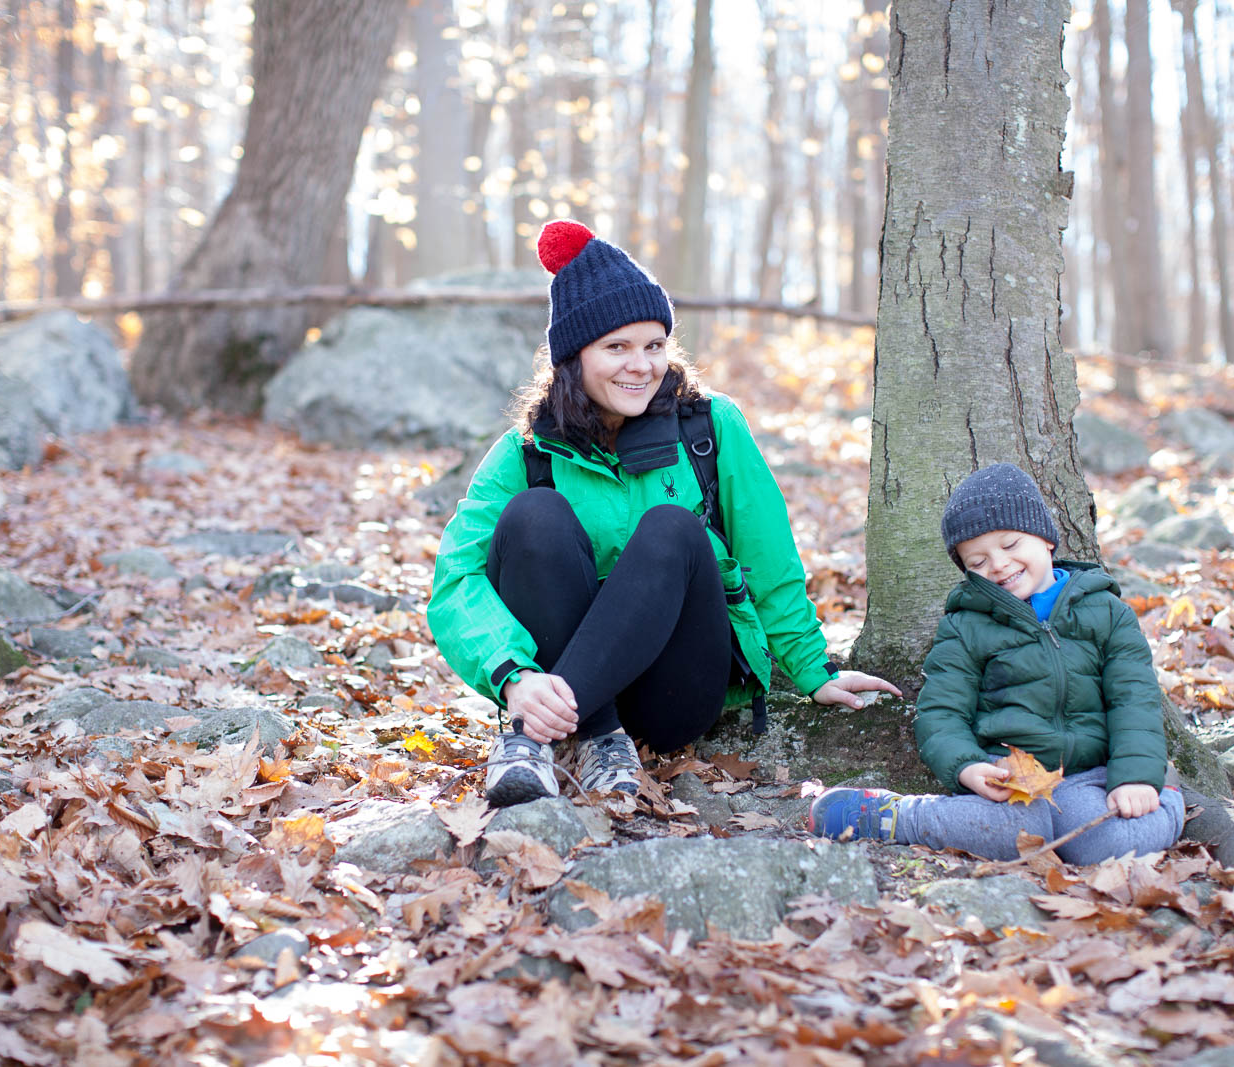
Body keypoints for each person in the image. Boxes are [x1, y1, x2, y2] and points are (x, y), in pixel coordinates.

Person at [428, 219, 900, 807]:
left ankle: (529, 740)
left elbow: (767, 557)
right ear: (573, 358)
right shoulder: (524, 454)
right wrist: (513, 677)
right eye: (617, 347)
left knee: (674, 529)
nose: (641, 366)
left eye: (654, 345)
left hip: (675, 687)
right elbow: (455, 582)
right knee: (534, 516)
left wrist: (814, 669)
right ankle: (598, 736)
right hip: (565, 689)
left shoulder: (710, 426)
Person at [809, 463, 1184, 864]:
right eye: (979, 562)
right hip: (1005, 771)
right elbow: (941, 711)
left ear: (1046, 541)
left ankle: (1168, 793)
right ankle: (897, 817)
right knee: (1020, 834)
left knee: (1110, 843)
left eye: (1010, 545)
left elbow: (1135, 699)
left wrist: (1136, 774)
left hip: (1092, 774)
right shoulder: (965, 625)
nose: (999, 565)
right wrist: (966, 765)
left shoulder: (1107, 612)